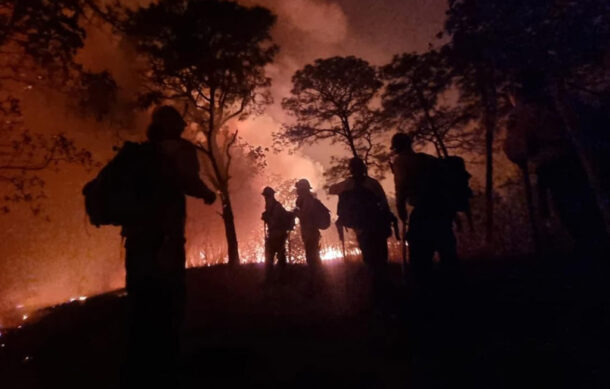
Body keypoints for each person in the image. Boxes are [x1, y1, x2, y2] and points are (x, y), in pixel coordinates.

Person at [121, 106, 216, 387]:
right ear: (173, 125)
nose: (185, 124)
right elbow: (189, 181)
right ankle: (167, 366)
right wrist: (208, 194)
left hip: (136, 238)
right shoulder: (180, 150)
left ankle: (138, 366)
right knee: (170, 297)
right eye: (179, 121)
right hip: (167, 238)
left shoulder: (139, 154)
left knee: (140, 299)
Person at [504, 72, 608, 258]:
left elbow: (516, 147)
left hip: (554, 166)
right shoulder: (562, 104)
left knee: (571, 212)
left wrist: (519, 152)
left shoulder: (525, 112)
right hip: (577, 162)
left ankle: (591, 258)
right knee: (587, 208)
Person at [330, 158, 396, 311]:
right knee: (380, 261)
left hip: (362, 229)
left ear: (351, 169)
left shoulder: (346, 185)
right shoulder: (373, 184)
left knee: (370, 261)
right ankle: (384, 294)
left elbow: (332, 189)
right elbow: (384, 205)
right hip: (377, 228)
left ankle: (378, 296)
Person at [391, 133, 458, 281]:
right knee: (447, 253)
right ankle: (453, 287)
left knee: (420, 258)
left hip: (423, 212)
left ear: (397, 147)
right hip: (442, 210)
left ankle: (426, 292)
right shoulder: (429, 160)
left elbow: (400, 190)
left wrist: (401, 212)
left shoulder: (401, 162)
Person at [293, 179, 328, 268]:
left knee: (312, 258)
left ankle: (318, 277)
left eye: (299, 188)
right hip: (309, 233)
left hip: (311, 233)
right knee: (312, 256)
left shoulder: (308, 200)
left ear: (303, 189)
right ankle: (318, 276)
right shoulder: (304, 200)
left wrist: (297, 213)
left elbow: (305, 215)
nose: (297, 190)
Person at [261, 186, 293, 279]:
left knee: (278, 258)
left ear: (270, 196)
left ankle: (282, 278)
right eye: (265, 196)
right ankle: (272, 279)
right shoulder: (269, 206)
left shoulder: (277, 206)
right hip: (273, 235)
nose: (265, 198)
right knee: (270, 258)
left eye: (266, 196)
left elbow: (278, 220)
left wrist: (268, 218)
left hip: (278, 235)